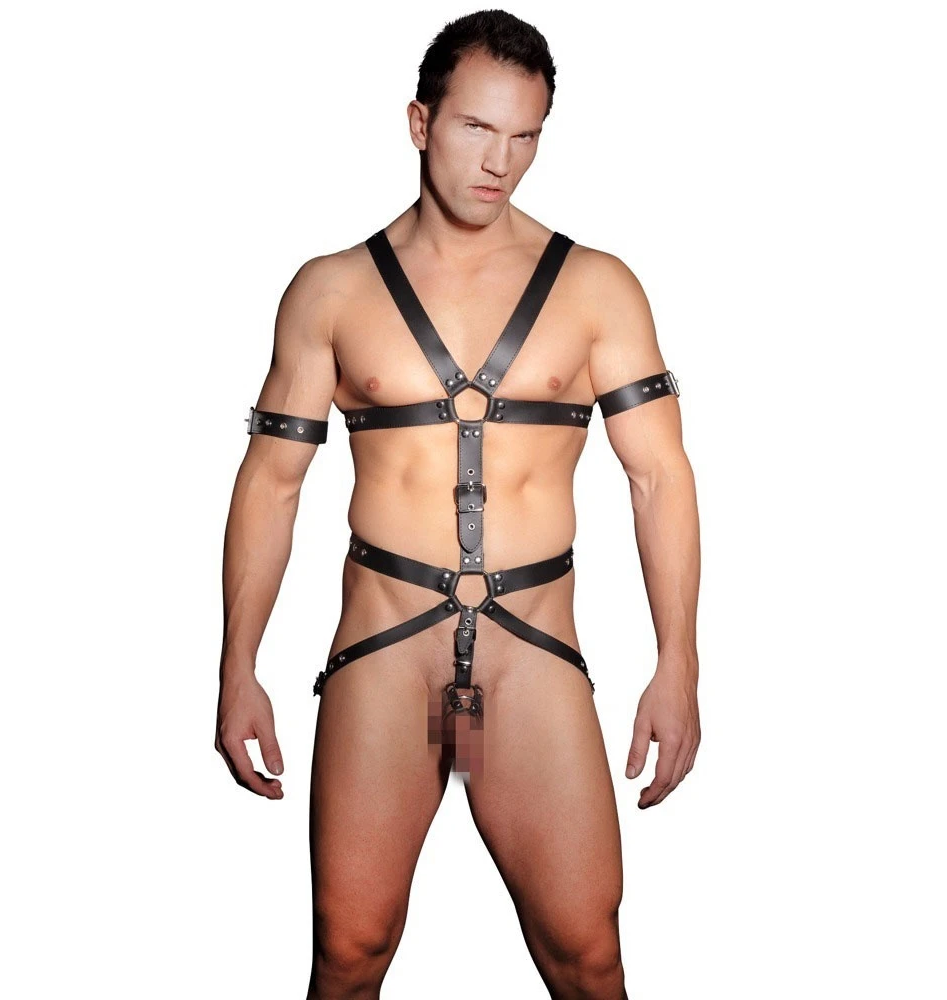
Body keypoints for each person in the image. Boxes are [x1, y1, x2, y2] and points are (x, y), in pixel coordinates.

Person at [215, 10, 700, 998]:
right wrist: (237, 665)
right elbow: (272, 482)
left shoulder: (597, 287)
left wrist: (678, 661)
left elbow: (659, 477)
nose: (500, 162)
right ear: (420, 122)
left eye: (525, 136)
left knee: (588, 953)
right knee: (349, 951)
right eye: (478, 128)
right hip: (386, 651)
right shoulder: (330, 291)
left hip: (530, 651)